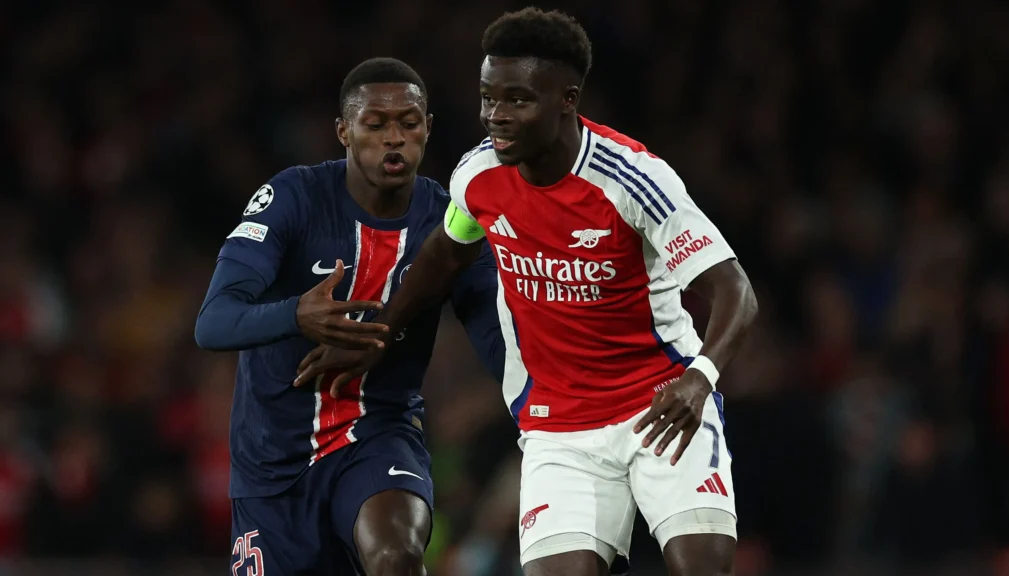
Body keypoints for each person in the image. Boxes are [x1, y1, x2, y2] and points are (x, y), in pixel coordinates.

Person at [297, 9, 760, 576]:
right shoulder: (478, 177)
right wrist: (381, 332)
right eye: (489, 98)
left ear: (567, 99)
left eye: (517, 100)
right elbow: (446, 253)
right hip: (557, 427)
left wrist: (699, 379)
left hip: (662, 405)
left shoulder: (633, 179)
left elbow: (734, 291)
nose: (496, 115)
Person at [194, 57, 503, 576]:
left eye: (409, 122)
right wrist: (297, 315)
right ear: (343, 131)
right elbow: (213, 322)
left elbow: (498, 338)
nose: (394, 138)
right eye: (375, 124)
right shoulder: (292, 198)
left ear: (428, 128)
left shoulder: (450, 223)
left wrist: (548, 405)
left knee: (396, 554)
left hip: (379, 433)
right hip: (273, 462)